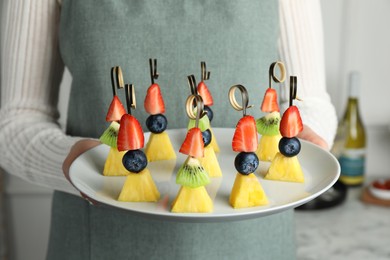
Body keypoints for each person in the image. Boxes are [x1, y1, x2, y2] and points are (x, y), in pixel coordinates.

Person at [0, 0, 337, 259]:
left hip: (254, 242)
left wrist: (305, 137)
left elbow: (311, 102)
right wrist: (75, 162)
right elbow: (16, 121)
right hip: (100, 241)